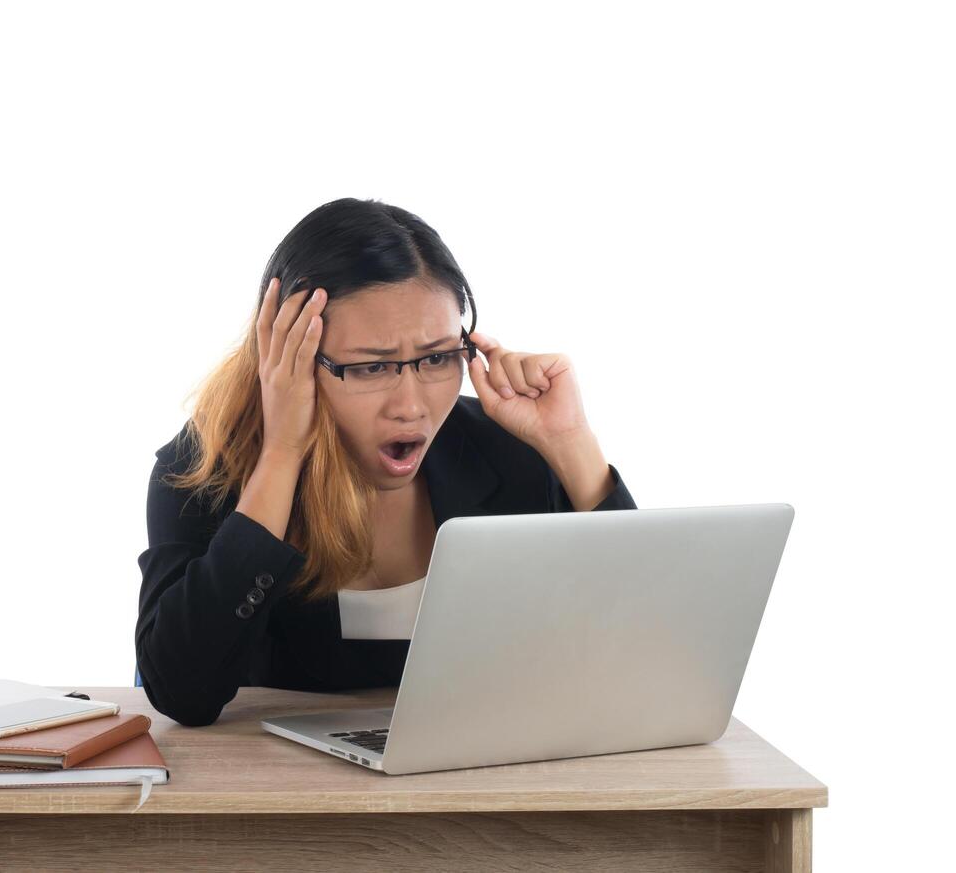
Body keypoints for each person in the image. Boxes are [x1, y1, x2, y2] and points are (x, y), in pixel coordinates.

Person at [135, 197, 637, 726]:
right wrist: (281, 455)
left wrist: (571, 442)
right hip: (286, 791)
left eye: (438, 358)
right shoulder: (203, 470)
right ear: (289, 358)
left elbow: (645, 652)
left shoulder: (510, 449)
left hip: (488, 778)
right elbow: (183, 692)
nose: (411, 406)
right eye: (372, 367)